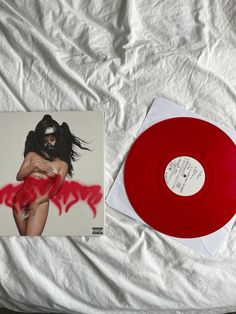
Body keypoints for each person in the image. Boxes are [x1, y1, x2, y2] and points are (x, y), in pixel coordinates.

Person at [13, 114, 89, 236]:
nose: (49, 143)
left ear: (57, 140)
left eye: (52, 140)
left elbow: (55, 190)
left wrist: (37, 201)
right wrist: (35, 166)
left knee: (32, 239)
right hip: (19, 201)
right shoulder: (31, 156)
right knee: (24, 240)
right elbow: (19, 176)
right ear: (40, 142)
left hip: (40, 203)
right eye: (45, 140)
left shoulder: (62, 165)